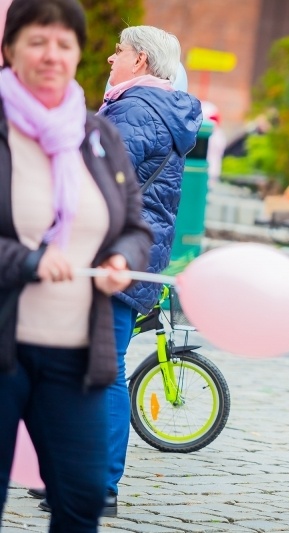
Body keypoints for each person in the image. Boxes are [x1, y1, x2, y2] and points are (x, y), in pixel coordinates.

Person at [29, 25, 203, 517]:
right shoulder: (151, 107)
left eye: (120, 51)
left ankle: (96, 486)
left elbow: (93, 180)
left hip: (112, 255)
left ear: (142, 62)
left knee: (103, 371)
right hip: (127, 253)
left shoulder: (135, 109)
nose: (110, 58)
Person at [0, 0, 152, 530]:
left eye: (64, 43)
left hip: (76, 355)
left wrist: (121, 259)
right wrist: (30, 260)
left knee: (82, 498)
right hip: (4, 348)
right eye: (37, 41)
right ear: (9, 49)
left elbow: (135, 227)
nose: (51, 54)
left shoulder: (97, 136)